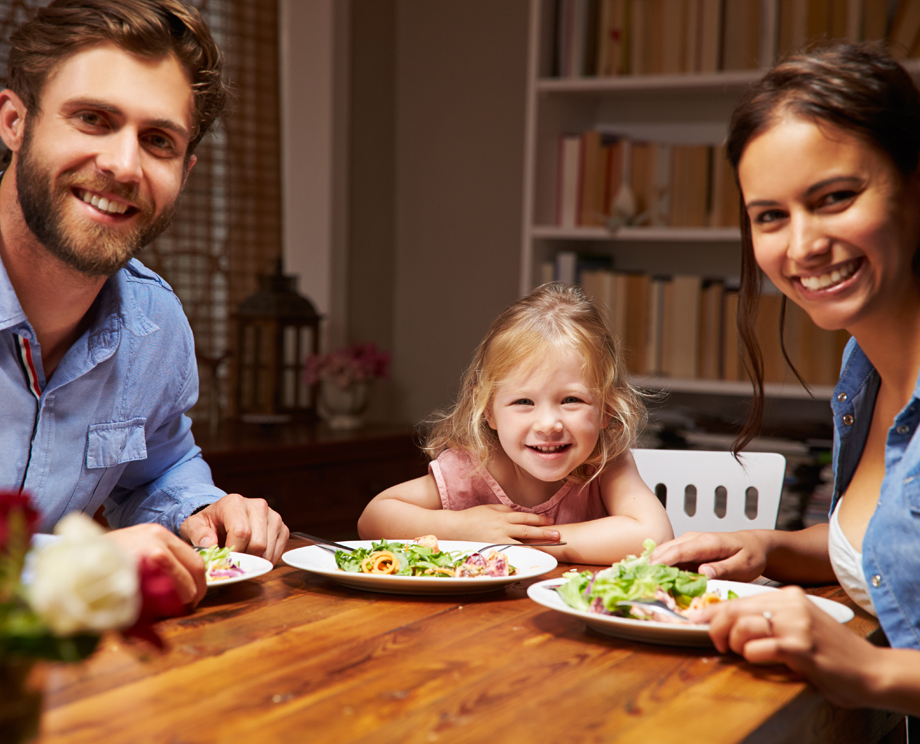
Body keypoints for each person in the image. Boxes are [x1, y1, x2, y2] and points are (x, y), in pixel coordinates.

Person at [650, 43, 920, 718]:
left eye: (835, 198)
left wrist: (874, 673)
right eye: (770, 215)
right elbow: (892, 550)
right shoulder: (863, 370)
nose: (801, 246)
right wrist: (767, 547)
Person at [0, 0, 288, 607]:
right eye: (93, 119)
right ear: (14, 121)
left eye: (157, 140)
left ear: (185, 167)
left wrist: (203, 511)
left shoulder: (155, 326)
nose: (123, 165)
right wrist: (79, 563)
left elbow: (156, 466)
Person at [358, 283, 673, 564]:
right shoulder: (471, 469)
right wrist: (460, 529)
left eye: (571, 401)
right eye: (524, 402)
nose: (549, 424)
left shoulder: (604, 464)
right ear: (489, 410)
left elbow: (655, 537)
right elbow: (373, 519)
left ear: (606, 407)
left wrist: (524, 546)